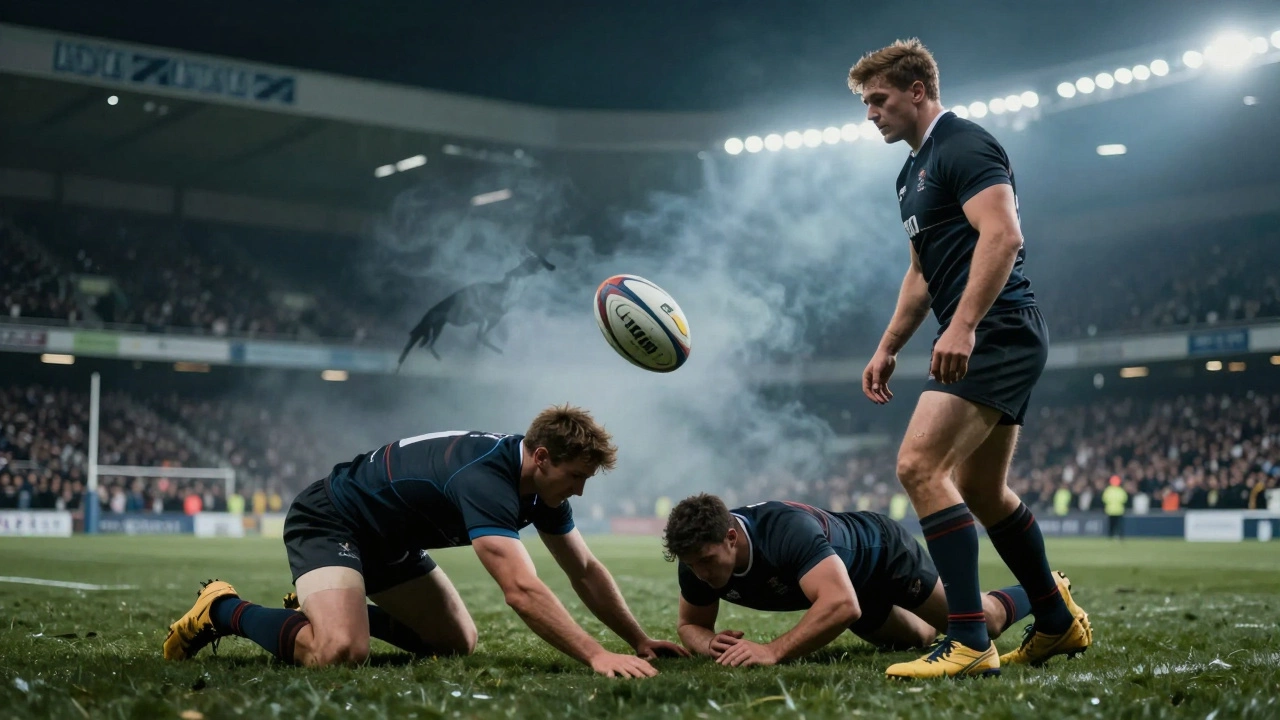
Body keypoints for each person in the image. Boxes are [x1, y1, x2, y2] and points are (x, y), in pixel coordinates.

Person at [847, 38, 1091, 678]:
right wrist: (888, 347)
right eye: (866, 103)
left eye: (879, 99)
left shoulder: (964, 144)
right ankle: (1056, 620)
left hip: (998, 327)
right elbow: (921, 275)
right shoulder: (909, 174)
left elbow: (1005, 234)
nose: (870, 113)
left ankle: (968, 639)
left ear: (917, 91)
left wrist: (964, 327)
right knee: (983, 489)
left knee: (919, 465)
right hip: (988, 328)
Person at [164, 404, 687, 677]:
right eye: (576, 476)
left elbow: (585, 571)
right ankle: (223, 610)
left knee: (456, 645)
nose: (578, 489)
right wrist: (597, 655)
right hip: (332, 520)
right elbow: (521, 590)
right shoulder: (486, 480)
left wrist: (638, 640)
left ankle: (324, 606)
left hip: (388, 541)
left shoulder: (540, 490)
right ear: (542, 457)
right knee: (341, 652)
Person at [663, 494, 1058, 669]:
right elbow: (689, 625)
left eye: (705, 561)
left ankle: (1048, 590)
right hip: (846, 583)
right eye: (691, 565)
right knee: (916, 641)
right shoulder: (695, 555)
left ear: (730, 538)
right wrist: (708, 643)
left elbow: (841, 605)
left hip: (882, 554)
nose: (700, 573)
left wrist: (772, 651)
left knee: (982, 625)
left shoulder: (784, 532)